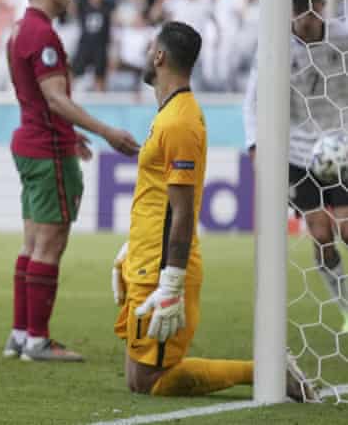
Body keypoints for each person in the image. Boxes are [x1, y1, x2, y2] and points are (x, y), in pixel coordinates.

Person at [114, 21, 313, 401]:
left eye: (149, 48)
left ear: (159, 56)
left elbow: (183, 211)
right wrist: (131, 247)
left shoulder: (180, 122)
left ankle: (264, 371)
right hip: (146, 256)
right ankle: (265, 370)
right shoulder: (171, 113)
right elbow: (158, 197)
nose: (144, 55)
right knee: (136, 376)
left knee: (149, 381)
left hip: (161, 265)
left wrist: (171, 280)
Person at [2, 0, 141, 363]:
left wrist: (70, 132)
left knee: (31, 245)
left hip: (32, 142)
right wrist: (107, 132)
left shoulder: (19, 30)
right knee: (50, 245)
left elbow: (38, 100)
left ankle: (20, 334)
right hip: (46, 152)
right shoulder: (42, 34)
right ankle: (38, 341)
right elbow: (55, 98)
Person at [243, 0, 348, 334]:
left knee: (347, 230)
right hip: (300, 152)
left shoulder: (341, 37)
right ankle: (345, 303)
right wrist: (256, 144)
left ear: (322, 5)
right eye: (300, 11)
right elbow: (253, 102)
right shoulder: (274, 45)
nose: (307, 19)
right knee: (321, 233)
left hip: (342, 145)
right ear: (288, 11)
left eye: (313, 9)